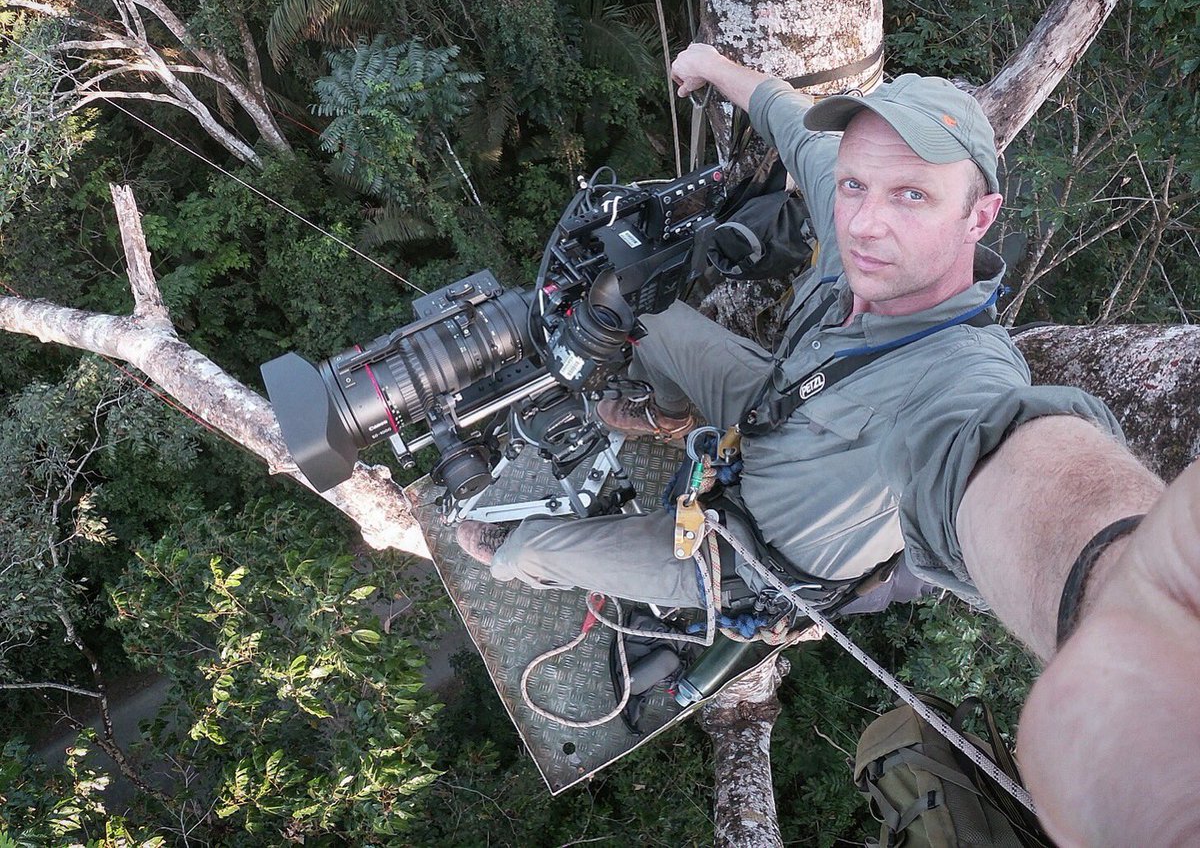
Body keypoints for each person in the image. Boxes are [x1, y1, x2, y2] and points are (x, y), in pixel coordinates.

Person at [460, 44, 1200, 845]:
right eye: (856, 187)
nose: (867, 221)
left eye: (912, 194)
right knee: (643, 310)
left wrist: (1124, 602)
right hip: (764, 416)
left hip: (750, 559)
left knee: (516, 549)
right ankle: (667, 414)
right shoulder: (858, 234)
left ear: (976, 219)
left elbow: (1004, 461)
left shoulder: (961, 375)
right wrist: (712, 65)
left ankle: (508, 546)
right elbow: (790, 121)